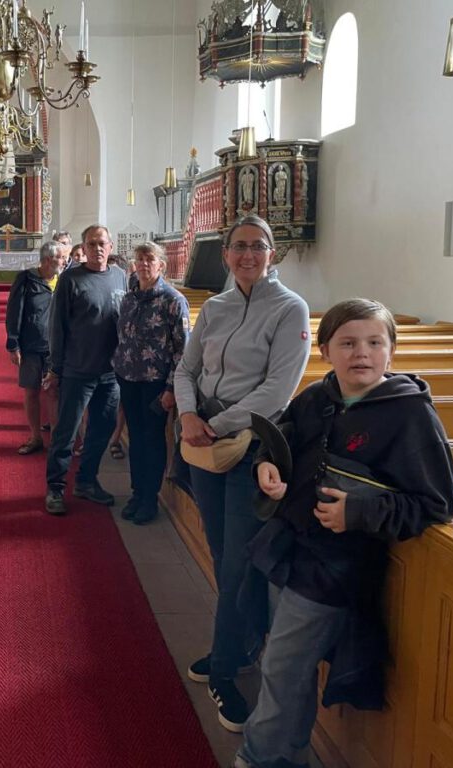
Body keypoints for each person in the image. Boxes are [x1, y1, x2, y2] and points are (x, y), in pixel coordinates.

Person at [236, 299, 453, 768]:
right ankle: (287, 755)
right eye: (349, 343)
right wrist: (266, 467)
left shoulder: (409, 414)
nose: (363, 353)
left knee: (280, 667)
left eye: (375, 342)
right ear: (325, 350)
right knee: (285, 668)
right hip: (288, 546)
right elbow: (278, 440)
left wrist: (358, 512)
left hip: (334, 567)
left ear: (391, 351)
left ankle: (259, 759)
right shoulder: (318, 396)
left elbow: (436, 504)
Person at [173, 214, 311, 731]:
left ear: (273, 253)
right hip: (205, 444)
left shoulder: (289, 308)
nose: (248, 254)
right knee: (222, 552)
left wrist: (213, 421)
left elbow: (278, 391)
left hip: (252, 448)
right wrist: (189, 415)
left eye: (258, 246)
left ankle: (226, 668)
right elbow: (186, 369)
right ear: (226, 254)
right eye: (239, 246)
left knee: (237, 564)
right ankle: (245, 644)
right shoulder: (216, 306)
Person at [43, 224, 128, 516]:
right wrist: (55, 368)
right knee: (66, 435)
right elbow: (57, 327)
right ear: (84, 248)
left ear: (111, 246)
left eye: (102, 243)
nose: (97, 248)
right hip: (78, 370)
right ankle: (55, 488)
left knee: (101, 431)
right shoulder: (71, 279)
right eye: (91, 244)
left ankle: (87, 481)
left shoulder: (120, 276)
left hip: (110, 373)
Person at [112, 241, 190, 525]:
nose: (144, 264)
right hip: (129, 379)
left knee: (152, 440)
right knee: (135, 437)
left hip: (156, 382)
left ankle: (150, 499)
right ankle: (137, 492)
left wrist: (171, 388)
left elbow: (183, 349)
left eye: (150, 259)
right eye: (140, 259)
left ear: (161, 265)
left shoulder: (173, 300)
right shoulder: (130, 298)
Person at [5, 240, 67, 455]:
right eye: (61, 257)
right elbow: (14, 311)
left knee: (53, 392)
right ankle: (36, 437)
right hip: (30, 344)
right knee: (31, 391)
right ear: (48, 259)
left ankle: (57, 439)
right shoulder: (26, 278)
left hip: (56, 346)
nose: (64, 261)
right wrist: (13, 344)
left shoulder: (64, 280)